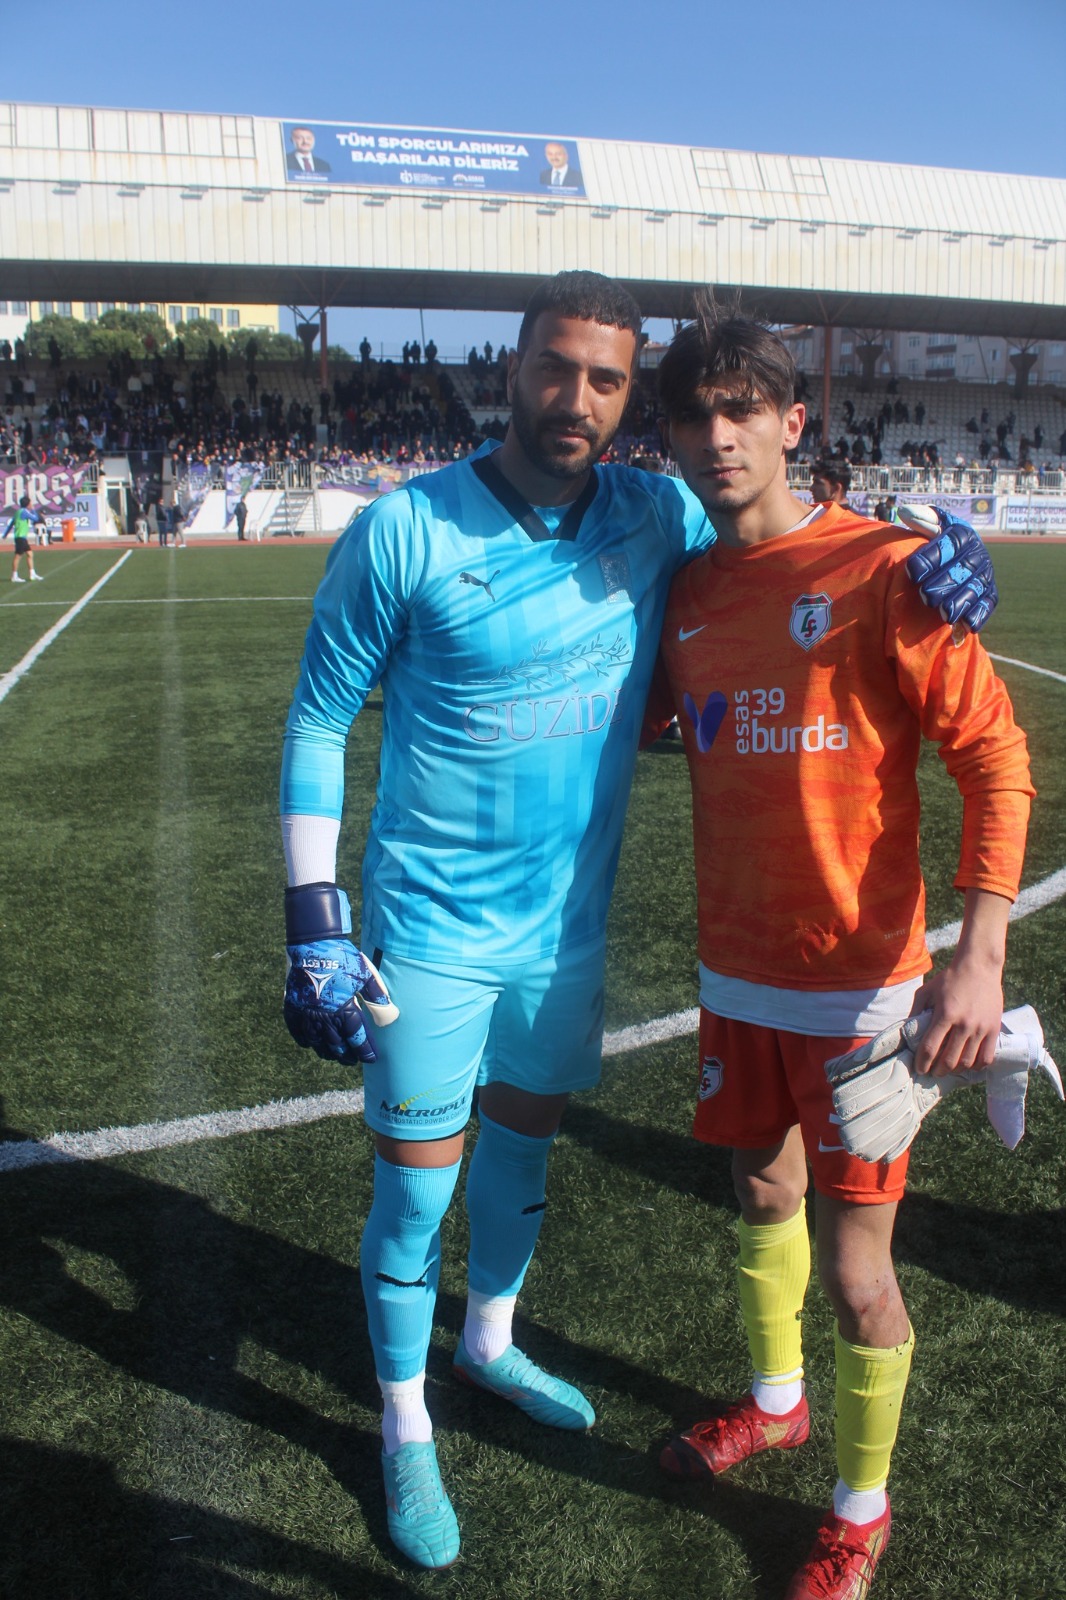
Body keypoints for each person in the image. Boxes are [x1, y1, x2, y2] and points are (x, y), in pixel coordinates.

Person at [279, 271, 996, 1574]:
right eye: (556, 368)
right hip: (431, 931)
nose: (578, 398)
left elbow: (795, 535)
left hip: (573, 940)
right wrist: (313, 914)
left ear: (631, 404)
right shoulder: (407, 528)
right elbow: (321, 713)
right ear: (511, 369)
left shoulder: (654, 513)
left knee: (521, 1157)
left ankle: (489, 1342)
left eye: (605, 380)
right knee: (415, 1194)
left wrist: (934, 548)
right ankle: (403, 1423)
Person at [647, 300, 1031, 1600]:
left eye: (740, 409)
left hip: (861, 993)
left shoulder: (885, 572)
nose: (717, 436)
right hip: (732, 973)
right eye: (692, 416)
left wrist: (978, 956)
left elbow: (994, 760)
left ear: (791, 421)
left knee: (861, 1271)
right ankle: (776, 1404)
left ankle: (857, 1515)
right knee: (760, 1196)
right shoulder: (689, 592)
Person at [4, 495, 44, 581]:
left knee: (30, 554)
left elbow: (11, 524)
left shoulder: (17, 512)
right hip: (20, 537)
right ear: (28, 504)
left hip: (22, 537)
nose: (31, 505)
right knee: (18, 556)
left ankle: (32, 574)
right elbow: (36, 518)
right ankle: (14, 576)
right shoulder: (24, 512)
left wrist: (5, 534)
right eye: (30, 503)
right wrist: (33, 509)